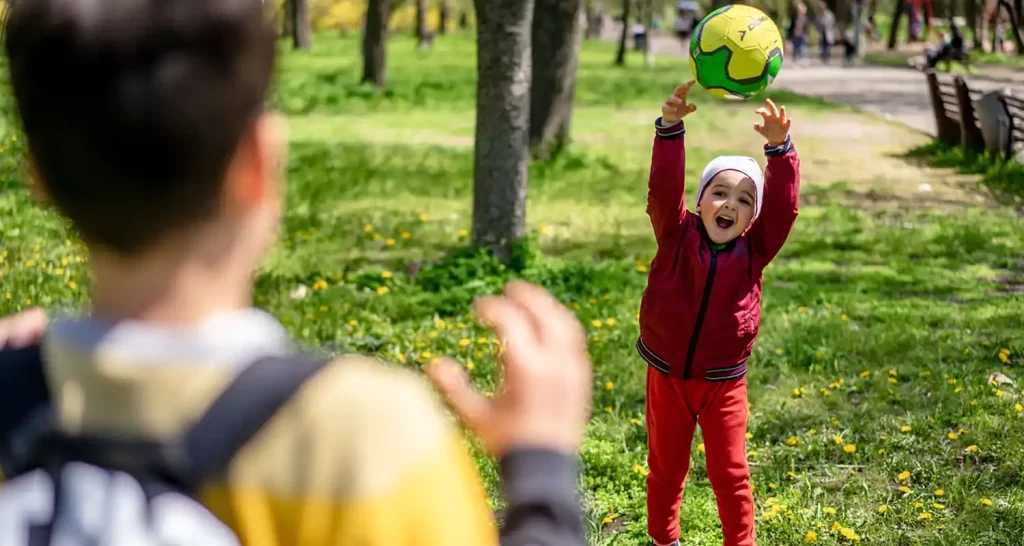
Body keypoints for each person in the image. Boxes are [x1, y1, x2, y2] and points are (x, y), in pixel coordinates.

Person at [0, 0, 591, 544]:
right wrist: (540, 473)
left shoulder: (14, 402)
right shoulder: (361, 440)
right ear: (260, 162)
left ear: (39, 178)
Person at [637, 81, 801, 546]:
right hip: (667, 377)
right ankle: (663, 540)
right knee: (666, 470)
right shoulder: (675, 233)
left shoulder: (755, 250)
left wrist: (779, 150)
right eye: (720, 192)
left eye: (745, 199)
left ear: (752, 219)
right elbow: (663, 189)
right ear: (701, 201)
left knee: (730, 472)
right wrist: (670, 129)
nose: (730, 204)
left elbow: (785, 209)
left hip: (724, 384)